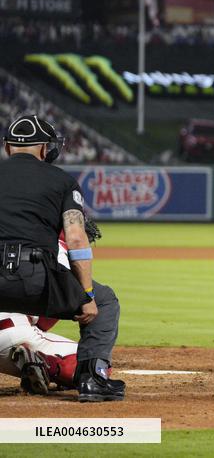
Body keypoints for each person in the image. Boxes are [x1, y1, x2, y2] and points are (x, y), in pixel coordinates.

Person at [0, 115, 124, 401]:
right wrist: (87, 294)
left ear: (8, 148)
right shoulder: (62, 181)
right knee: (103, 301)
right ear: (45, 150)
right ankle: (93, 381)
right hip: (34, 276)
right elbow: (77, 239)